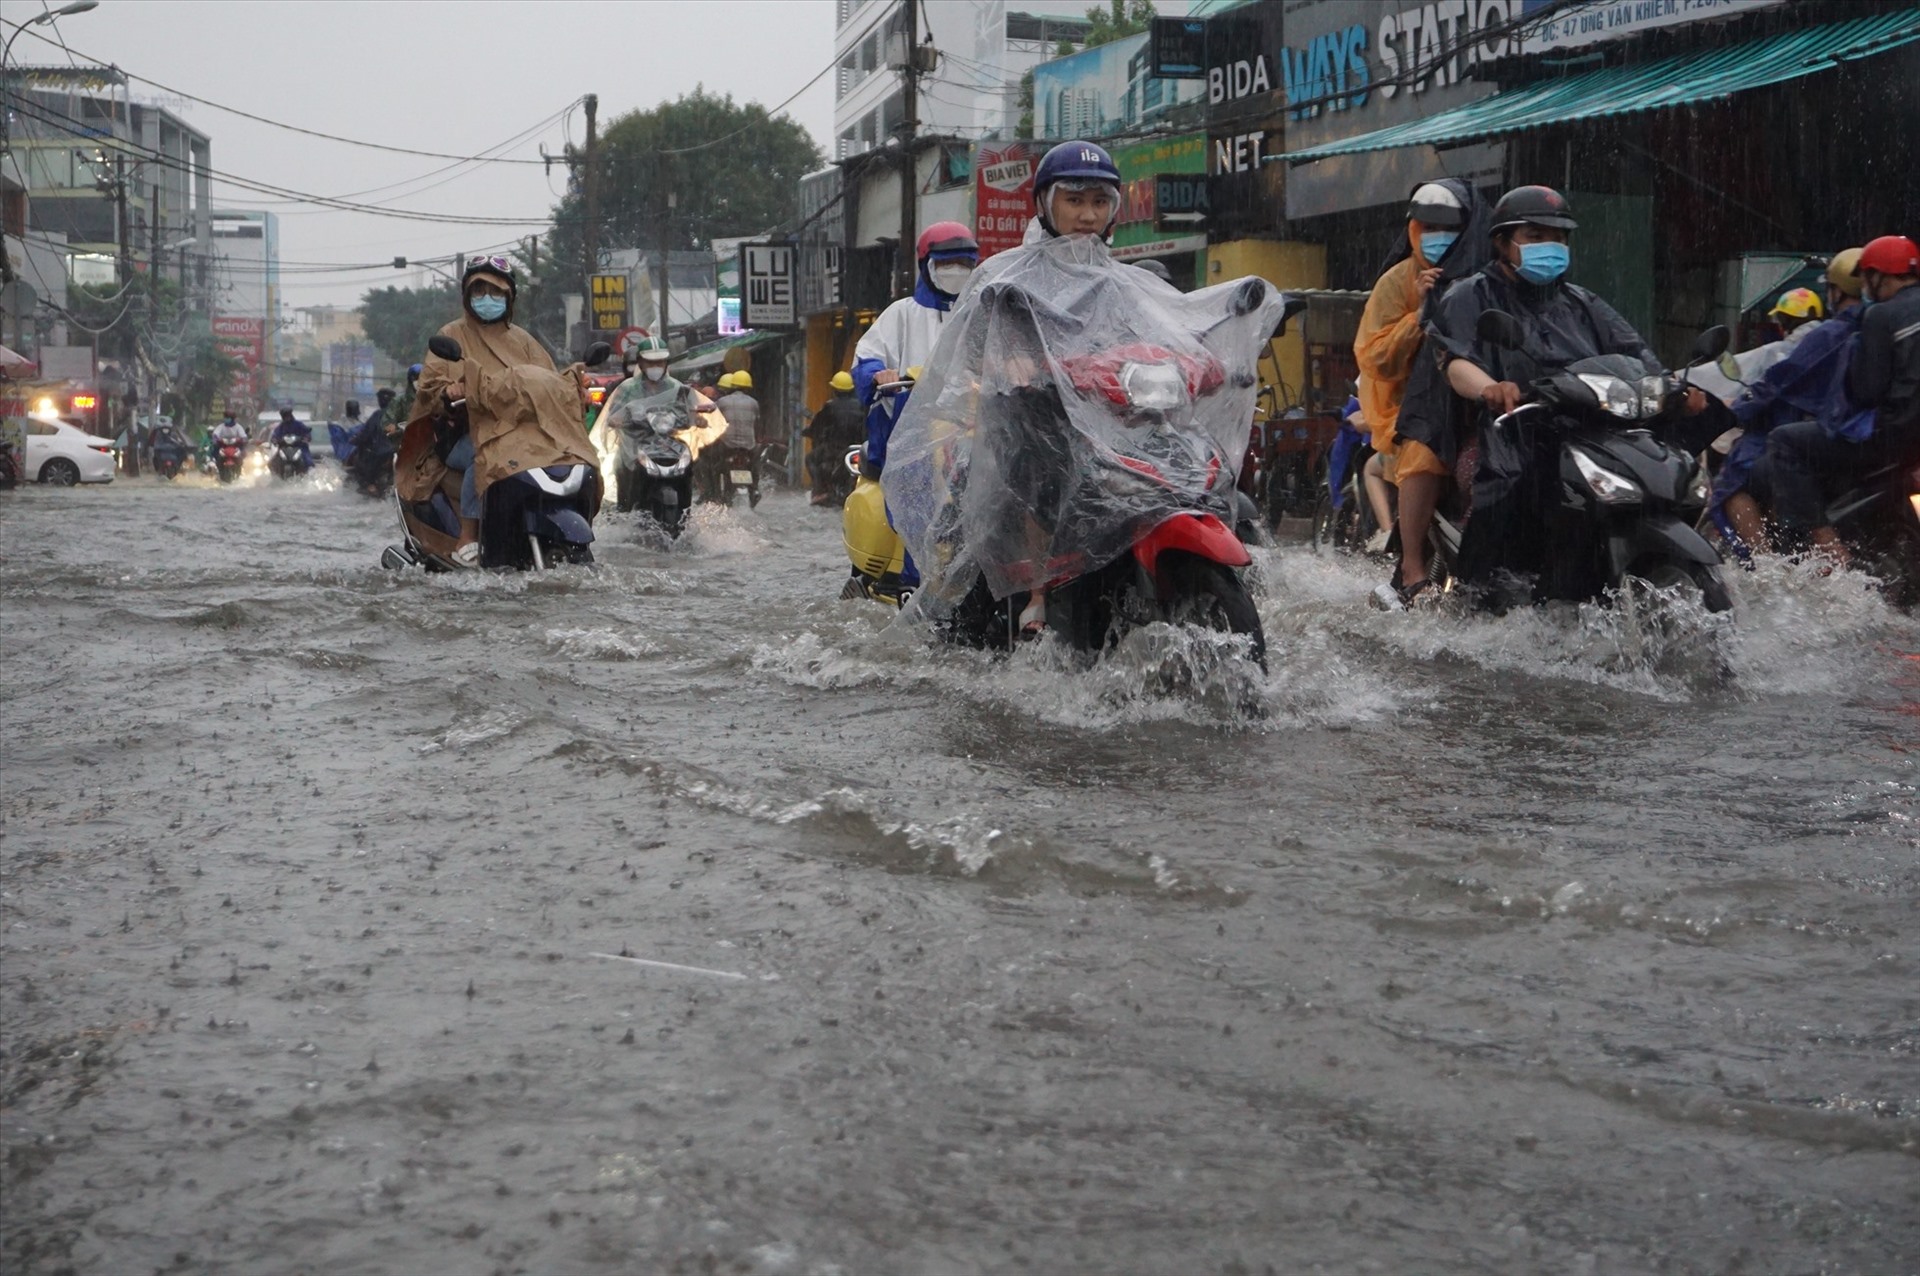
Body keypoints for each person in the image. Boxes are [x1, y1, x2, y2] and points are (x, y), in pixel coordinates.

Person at [1427, 184, 1712, 601]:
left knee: (1666, 469)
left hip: (1592, 429)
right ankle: (1480, 595)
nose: (1551, 246)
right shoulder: (1470, 294)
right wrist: (1491, 387)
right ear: (1503, 242)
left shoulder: (1582, 302)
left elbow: (1634, 352)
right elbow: (1455, 361)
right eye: (1536, 236)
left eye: (1559, 237)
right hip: (1511, 432)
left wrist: (1675, 387)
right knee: (1505, 488)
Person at [1353, 180, 1488, 603]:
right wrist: (1419, 316)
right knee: (1425, 452)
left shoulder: (1488, 275)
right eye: (1426, 226)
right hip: (1413, 406)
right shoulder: (1397, 282)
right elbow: (1374, 357)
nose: (1436, 237)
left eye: (1447, 227)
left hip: (1479, 397)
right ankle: (1412, 563)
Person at [1762, 234, 1920, 565]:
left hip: (1893, 438)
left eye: (1866, 277)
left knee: (1785, 443)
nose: (1864, 285)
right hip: (1910, 446)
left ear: (1879, 275)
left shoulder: (1881, 316)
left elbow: (1867, 391)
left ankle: (1827, 549)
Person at [403, 254, 562, 566]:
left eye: (496, 292)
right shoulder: (452, 335)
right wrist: (449, 391)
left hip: (521, 434)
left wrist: (572, 389)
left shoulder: (525, 341)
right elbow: (430, 385)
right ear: (468, 296)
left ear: (509, 297)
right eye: (479, 291)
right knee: (487, 451)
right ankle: (468, 534)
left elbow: (550, 379)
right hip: (463, 435)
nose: (487, 298)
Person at [1707, 258, 1866, 556]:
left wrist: (1738, 408)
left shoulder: (1829, 335)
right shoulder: (1878, 325)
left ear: (1838, 291)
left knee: (1732, 481)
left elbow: (1779, 382)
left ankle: (1764, 565)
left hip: (1825, 434)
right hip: (1867, 433)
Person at [852, 219, 981, 443]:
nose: (956, 270)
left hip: (971, 433)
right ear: (927, 265)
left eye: (963, 263)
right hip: (907, 432)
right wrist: (878, 374)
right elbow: (867, 356)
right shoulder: (901, 314)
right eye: (947, 263)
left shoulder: (979, 314)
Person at [600, 336, 696, 510]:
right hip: (633, 446)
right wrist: (620, 419)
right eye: (651, 362)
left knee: (688, 466)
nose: (655, 367)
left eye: (660, 362)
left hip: (668, 445)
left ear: (666, 363)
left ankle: (686, 512)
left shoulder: (676, 387)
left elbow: (687, 412)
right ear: (641, 363)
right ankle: (626, 511)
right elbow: (614, 415)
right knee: (622, 471)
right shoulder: (627, 388)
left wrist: (695, 414)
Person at [805, 370, 865, 504]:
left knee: (810, 459)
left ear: (835, 389)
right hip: (855, 448)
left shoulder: (830, 406)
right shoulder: (861, 405)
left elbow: (817, 425)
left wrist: (810, 431)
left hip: (834, 449)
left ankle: (820, 490)